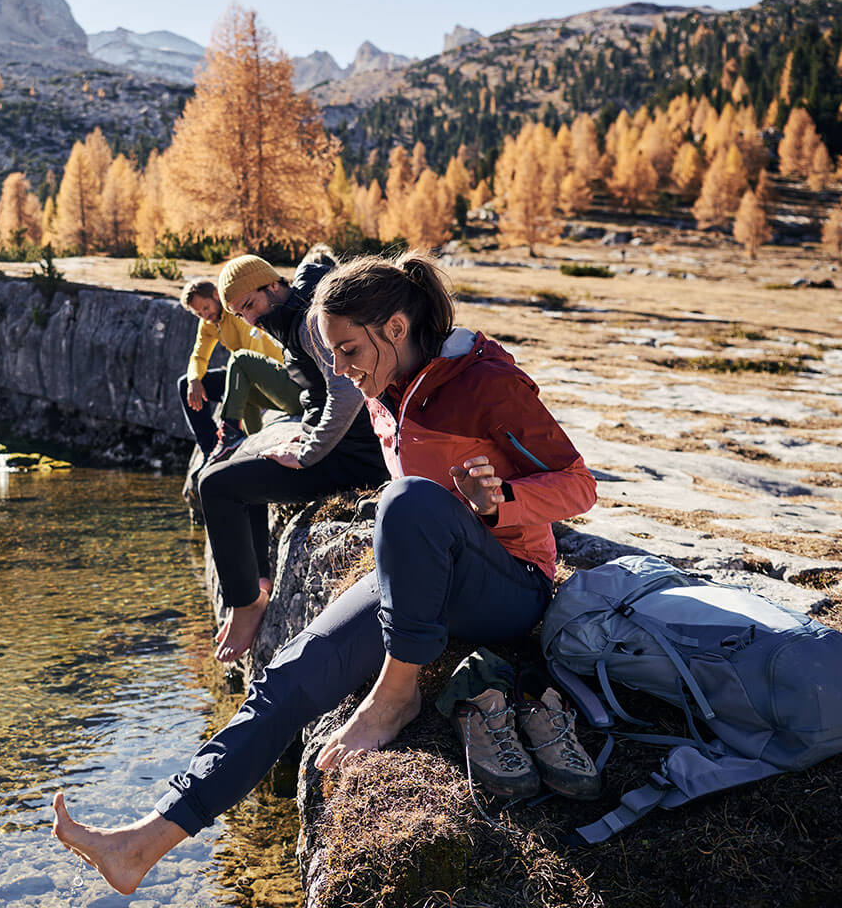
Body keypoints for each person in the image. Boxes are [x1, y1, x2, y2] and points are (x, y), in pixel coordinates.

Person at [53, 252, 597, 896]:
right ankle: (143, 842)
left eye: (346, 350)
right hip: (424, 578)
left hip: (509, 584)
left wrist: (500, 499)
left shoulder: (486, 383)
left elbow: (579, 485)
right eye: (331, 354)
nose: (338, 369)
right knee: (289, 673)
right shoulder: (383, 391)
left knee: (409, 499)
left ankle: (395, 697)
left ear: (396, 328)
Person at [196, 254, 387, 663]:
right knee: (240, 470)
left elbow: (349, 392)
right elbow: (322, 391)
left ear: (271, 287)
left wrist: (307, 451)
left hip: (350, 459)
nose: (248, 320)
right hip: (349, 448)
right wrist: (311, 427)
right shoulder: (298, 314)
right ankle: (258, 582)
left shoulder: (309, 322)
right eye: (238, 313)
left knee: (215, 486)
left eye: (249, 306)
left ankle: (247, 603)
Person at [177, 278, 286, 460]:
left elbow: (252, 353)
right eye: (198, 313)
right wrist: (194, 380)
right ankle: (210, 448)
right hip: (241, 372)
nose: (204, 315)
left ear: (215, 295)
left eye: (205, 308)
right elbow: (199, 355)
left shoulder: (238, 313)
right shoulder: (208, 323)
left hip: (268, 374)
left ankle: (236, 436)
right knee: (185, 385)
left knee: (237, 372)